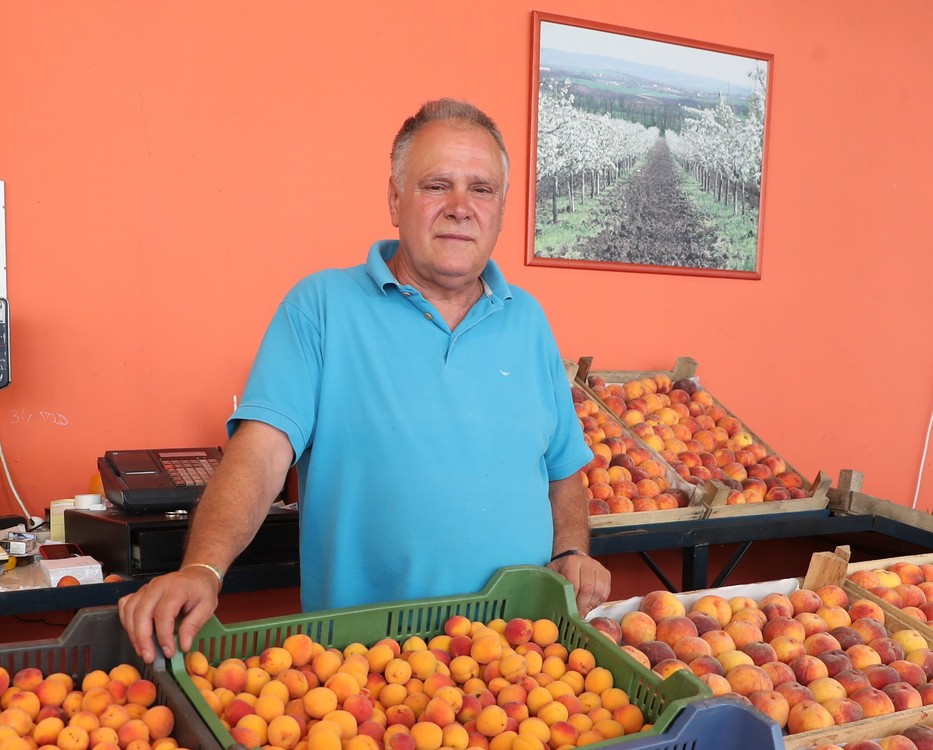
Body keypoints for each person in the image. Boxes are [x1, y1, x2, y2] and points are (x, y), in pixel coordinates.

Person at [119, 98, 611, 663]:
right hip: (364, 664)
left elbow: (561, 468)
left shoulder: (528, 320)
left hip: (516, 658)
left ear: (501, 208)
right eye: (436, 186)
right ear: (394, 199)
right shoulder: (321, 307)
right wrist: (202, 569)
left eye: (482, 189)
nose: (460, 207)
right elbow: (261, 452)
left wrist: (571, 549)